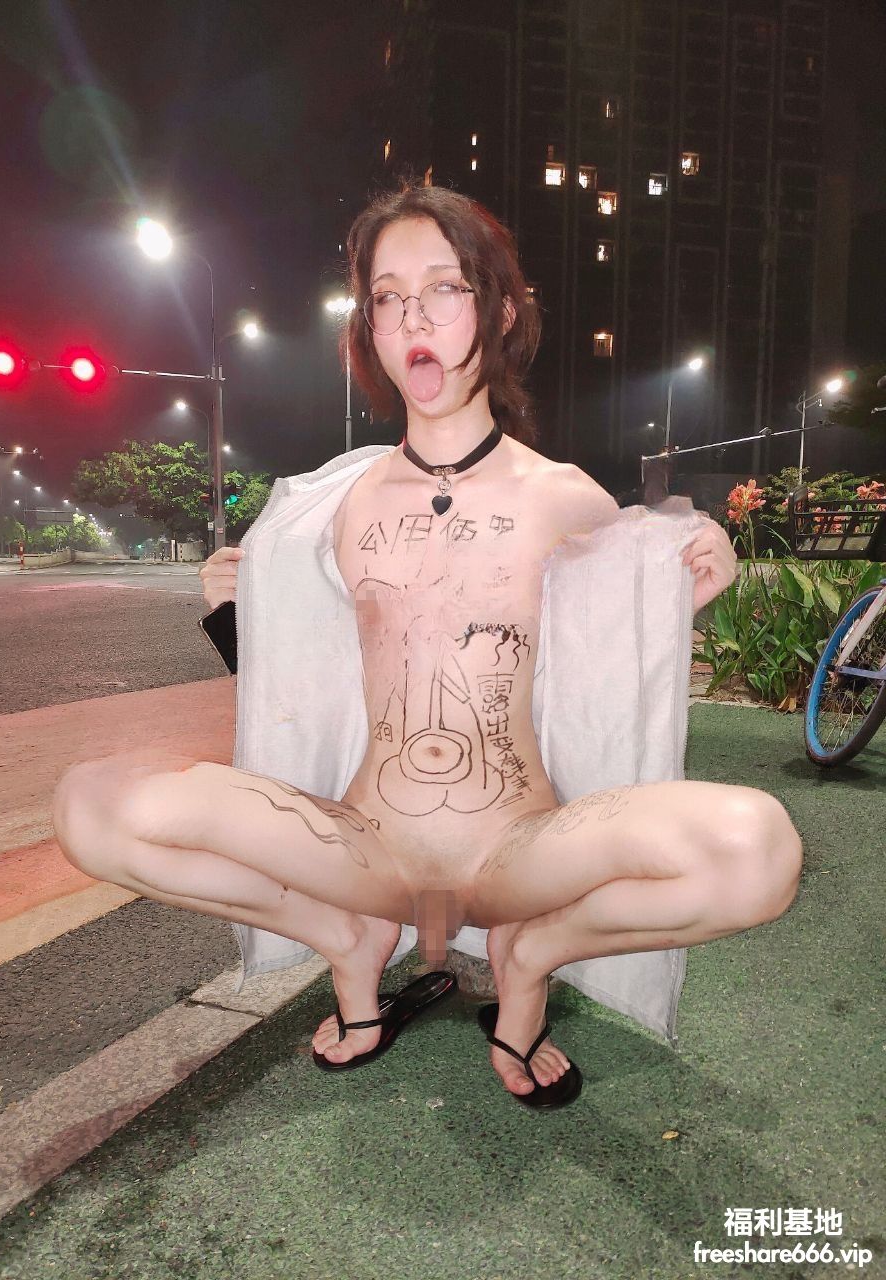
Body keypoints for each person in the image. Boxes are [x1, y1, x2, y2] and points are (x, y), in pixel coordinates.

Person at [52, 184, 802, 1110]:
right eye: (387, 296)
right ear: (367, 326)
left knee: (758, 850)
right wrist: (240, 612)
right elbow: (298, 693)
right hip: (366, 846)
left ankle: (532, 955)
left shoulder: (566, 496)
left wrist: (692, 577)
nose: (414, 318)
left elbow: (612, 673)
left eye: (444, 288)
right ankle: (348, 940)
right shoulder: (330, 506)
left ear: (501, 309)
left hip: (519, 850)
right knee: (91, 805)